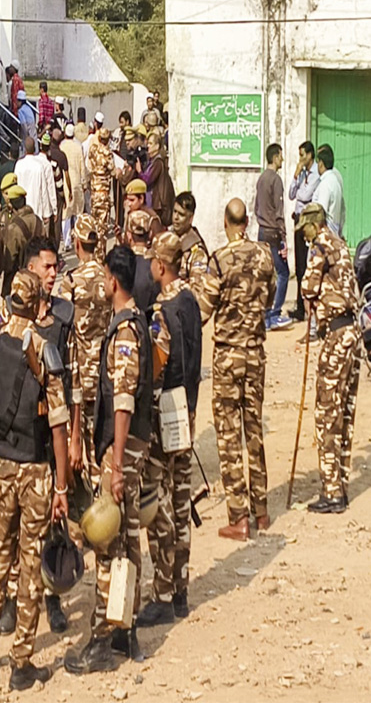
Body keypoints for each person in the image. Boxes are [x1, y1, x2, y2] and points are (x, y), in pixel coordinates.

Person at [0, 270, 71, 691]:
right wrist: (63, 485)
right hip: (34, 467)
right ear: (34, 305)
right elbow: (58, 422)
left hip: (0, 462)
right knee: (31, 562)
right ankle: (21, 662)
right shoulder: (43, 350)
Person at [65, 245, 153, 673]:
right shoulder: (135, 323)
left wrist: (115, 466)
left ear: (113, 282)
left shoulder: (124, 334)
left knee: (108, 542)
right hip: (132, 449)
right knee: (129, 539)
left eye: (103, 278)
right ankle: (127, 628)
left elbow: (122, 403)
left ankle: (102, 638)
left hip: (123, 451)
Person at [198, 199, 275, 540]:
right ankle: (261, 511)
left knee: (229, 436)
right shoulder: (264, 256)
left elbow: (203, 309)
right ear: (247, 222)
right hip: (255, 353)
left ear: (226, 222)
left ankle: (238, 516)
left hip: (228, 356)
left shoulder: (220, 260)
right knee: (253, 432)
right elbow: (270, 300)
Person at [136, 230, 202, 626]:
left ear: (161, 265)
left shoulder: (162, 309)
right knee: (181, 499)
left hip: (165, 412)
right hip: (188, 408)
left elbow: (158, 367)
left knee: (158, 501)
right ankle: (180, 589)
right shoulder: (191, 301)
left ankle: (162, 592)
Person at [297, 202, 363, 511]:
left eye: (305, 230)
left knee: (326, 414)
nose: (305, 237)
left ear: (313, 224)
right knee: (343, 413)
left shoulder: (320, 245)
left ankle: (332, 491)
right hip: (352, 332)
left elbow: (307, 287)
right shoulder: (340, 242)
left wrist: (311, 294)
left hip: (336, 335)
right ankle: (341, 484)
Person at [57, 215, 112, 488]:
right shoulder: (109, 278)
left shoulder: (70, 282)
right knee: (101, 439)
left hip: (79, 374)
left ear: (76, 244)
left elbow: (64, 330)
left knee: (78, 440)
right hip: (105, 371)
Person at [256, 143, 291, 330]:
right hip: (273, 233)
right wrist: (283, 237)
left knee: (267, 274)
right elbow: (279, 212)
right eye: (281, 156)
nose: (282, 160)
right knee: (283, 273)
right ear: (275, 157)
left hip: (262, 231)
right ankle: (274, 314)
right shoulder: (275, 180)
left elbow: (256, 207)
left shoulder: (261, 179)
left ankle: (266, 313)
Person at [288, 141, 320, 321]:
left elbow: (305, 195)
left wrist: (300, 188)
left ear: (309, 155)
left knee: (308, 265)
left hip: (308, 222)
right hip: (298, 219)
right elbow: (292, 194)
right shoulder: (302, 174)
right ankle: (300, 306)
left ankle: (307, 307)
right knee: (299, 265)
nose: (300, 159)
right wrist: (295, 176)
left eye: (302, 155)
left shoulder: (315, 173)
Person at [2, 185, 44, 294]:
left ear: (11, 205)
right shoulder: (38, 221)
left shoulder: (14, 228)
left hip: (21, 280)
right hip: (38, 275)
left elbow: (9, 260)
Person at [171, 192, 210, 298]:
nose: (176, 217)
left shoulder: (197, 252)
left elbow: (197, 290)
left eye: (181, 214)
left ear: (190, 218)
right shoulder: (166, 238)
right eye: (174, 212)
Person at [15, 136, 56, 230]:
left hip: (21, 210)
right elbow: (44, 191)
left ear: (25, 149)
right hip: (36, 211)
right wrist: (47, 213)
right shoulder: (39, 166)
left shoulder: (19, 165)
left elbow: (15, 187)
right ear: (35, 149)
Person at [88, 128, 115, 257]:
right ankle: (100, 257)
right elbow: (113, 170)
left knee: (94, 226)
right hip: (103, 193)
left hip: (94, 193)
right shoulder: (108, 153)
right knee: (102, 229)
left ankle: (93, 254)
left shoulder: (93, 149)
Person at [60, 123, 85, 247]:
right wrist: (84, 182)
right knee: (78, 213)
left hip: (65, 182)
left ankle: (66, 242)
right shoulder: (78, 147)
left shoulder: (62, 146)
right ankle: (78, 239)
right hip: (76, 183)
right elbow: (82, 167)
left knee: (66, 214)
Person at [313, 144, 345, 237]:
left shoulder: (326, 184)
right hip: (333, 231)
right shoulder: (334, 180)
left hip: (325, 235)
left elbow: (320, 213)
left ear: (321, 163)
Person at [145, 133, 174, 227]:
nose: (148, 146)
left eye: (150, 143)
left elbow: (147, 179)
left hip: (157, 204)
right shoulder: (152, 161)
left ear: (157, 146)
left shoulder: (158, 162)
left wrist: (139, 171)